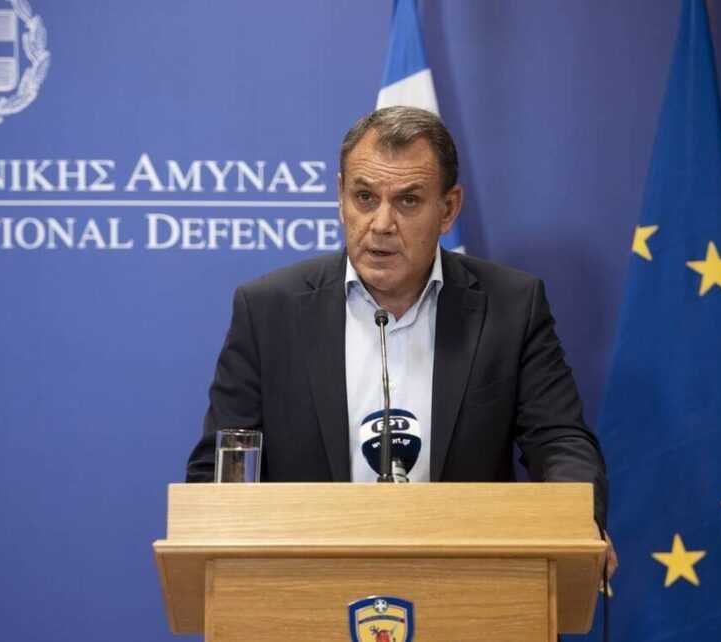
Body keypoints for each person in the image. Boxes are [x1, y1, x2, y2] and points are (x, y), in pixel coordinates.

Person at [185, 106, 616, 574]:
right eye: (364, 197)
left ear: (448, 209)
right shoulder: (269, 310)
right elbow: (220, 467)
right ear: (340, 197)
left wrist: (578, 522)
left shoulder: (511, 306)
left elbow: (558, 440)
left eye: (408, 201)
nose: (381, 223)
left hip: (464, 580)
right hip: (306, 581)